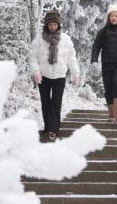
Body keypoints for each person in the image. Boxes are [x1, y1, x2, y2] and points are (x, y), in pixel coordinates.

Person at [28, 9, 80, 142]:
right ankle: (47, 128)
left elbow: (71, 58)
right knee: (45, 103)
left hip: (59, 77)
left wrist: (75, 73)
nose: (52, 27)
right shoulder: (39, 40)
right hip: (43, 76)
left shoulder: (66, 40)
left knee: (56, 103)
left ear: (59, 25)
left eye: (55, 24)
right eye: (50, 24)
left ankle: (53, 130)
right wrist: (36, 72)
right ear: (46, 25)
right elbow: (32, 57)